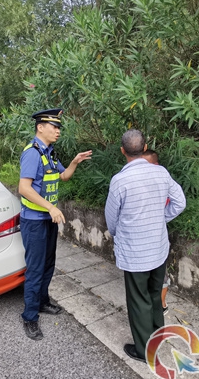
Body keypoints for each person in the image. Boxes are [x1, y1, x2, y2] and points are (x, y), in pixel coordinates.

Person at [105, 129, 186, 362]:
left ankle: (144, 350)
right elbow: (180, 202)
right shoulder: (161, 173)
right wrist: (161, 218)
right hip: (158, 249)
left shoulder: (120, 180)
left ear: (122, 151)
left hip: (135, 253)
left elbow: (111, 217)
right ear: (145, 147)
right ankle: (157, 336)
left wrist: (117, 233)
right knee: (154, 293)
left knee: (138, 299)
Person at [18, 108, 92, 341]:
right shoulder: (32, 153)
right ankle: (30, 316)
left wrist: (74, 162)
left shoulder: (49, 152)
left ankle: (42, 302)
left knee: (48, 264)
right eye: (54, 127)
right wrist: (51, 207)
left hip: (48, 220)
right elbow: (24, 188)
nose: (58, 131)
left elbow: (63, 176)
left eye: (59, 127)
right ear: (40, 127)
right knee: (36, 268)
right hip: (34, 221)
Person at [142, 149, 171, 316]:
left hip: (157, 237)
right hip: (142, 237)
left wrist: (162, 218)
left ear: (156, 165)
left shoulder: (163, 182)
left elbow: (178, 203)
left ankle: (161, 304)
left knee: (161, 274)